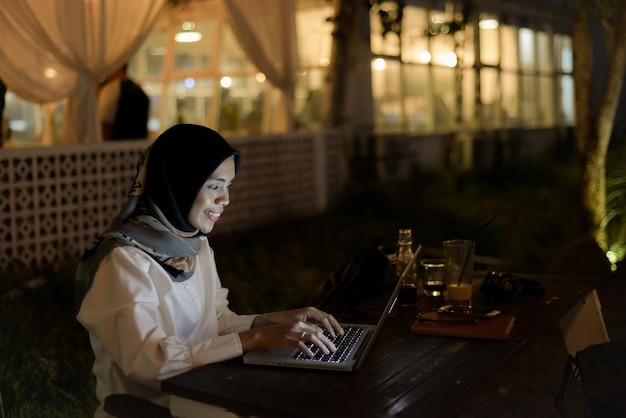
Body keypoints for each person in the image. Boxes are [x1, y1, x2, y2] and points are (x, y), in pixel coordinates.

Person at [75, 124, 343, 417]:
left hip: (206, 391)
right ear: (178, 182)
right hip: (154, 408)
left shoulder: (194, 246)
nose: (225, 199)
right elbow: (149, 361)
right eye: (214, 186)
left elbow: (214, 321)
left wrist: (269, 322)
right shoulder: (122, 260)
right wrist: (255, 339)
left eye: (228, 186)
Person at [97, 63, 149, 140]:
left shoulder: (111, 89)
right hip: (138, 147)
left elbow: (105, 126)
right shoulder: (140, 91)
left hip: (116, 147)